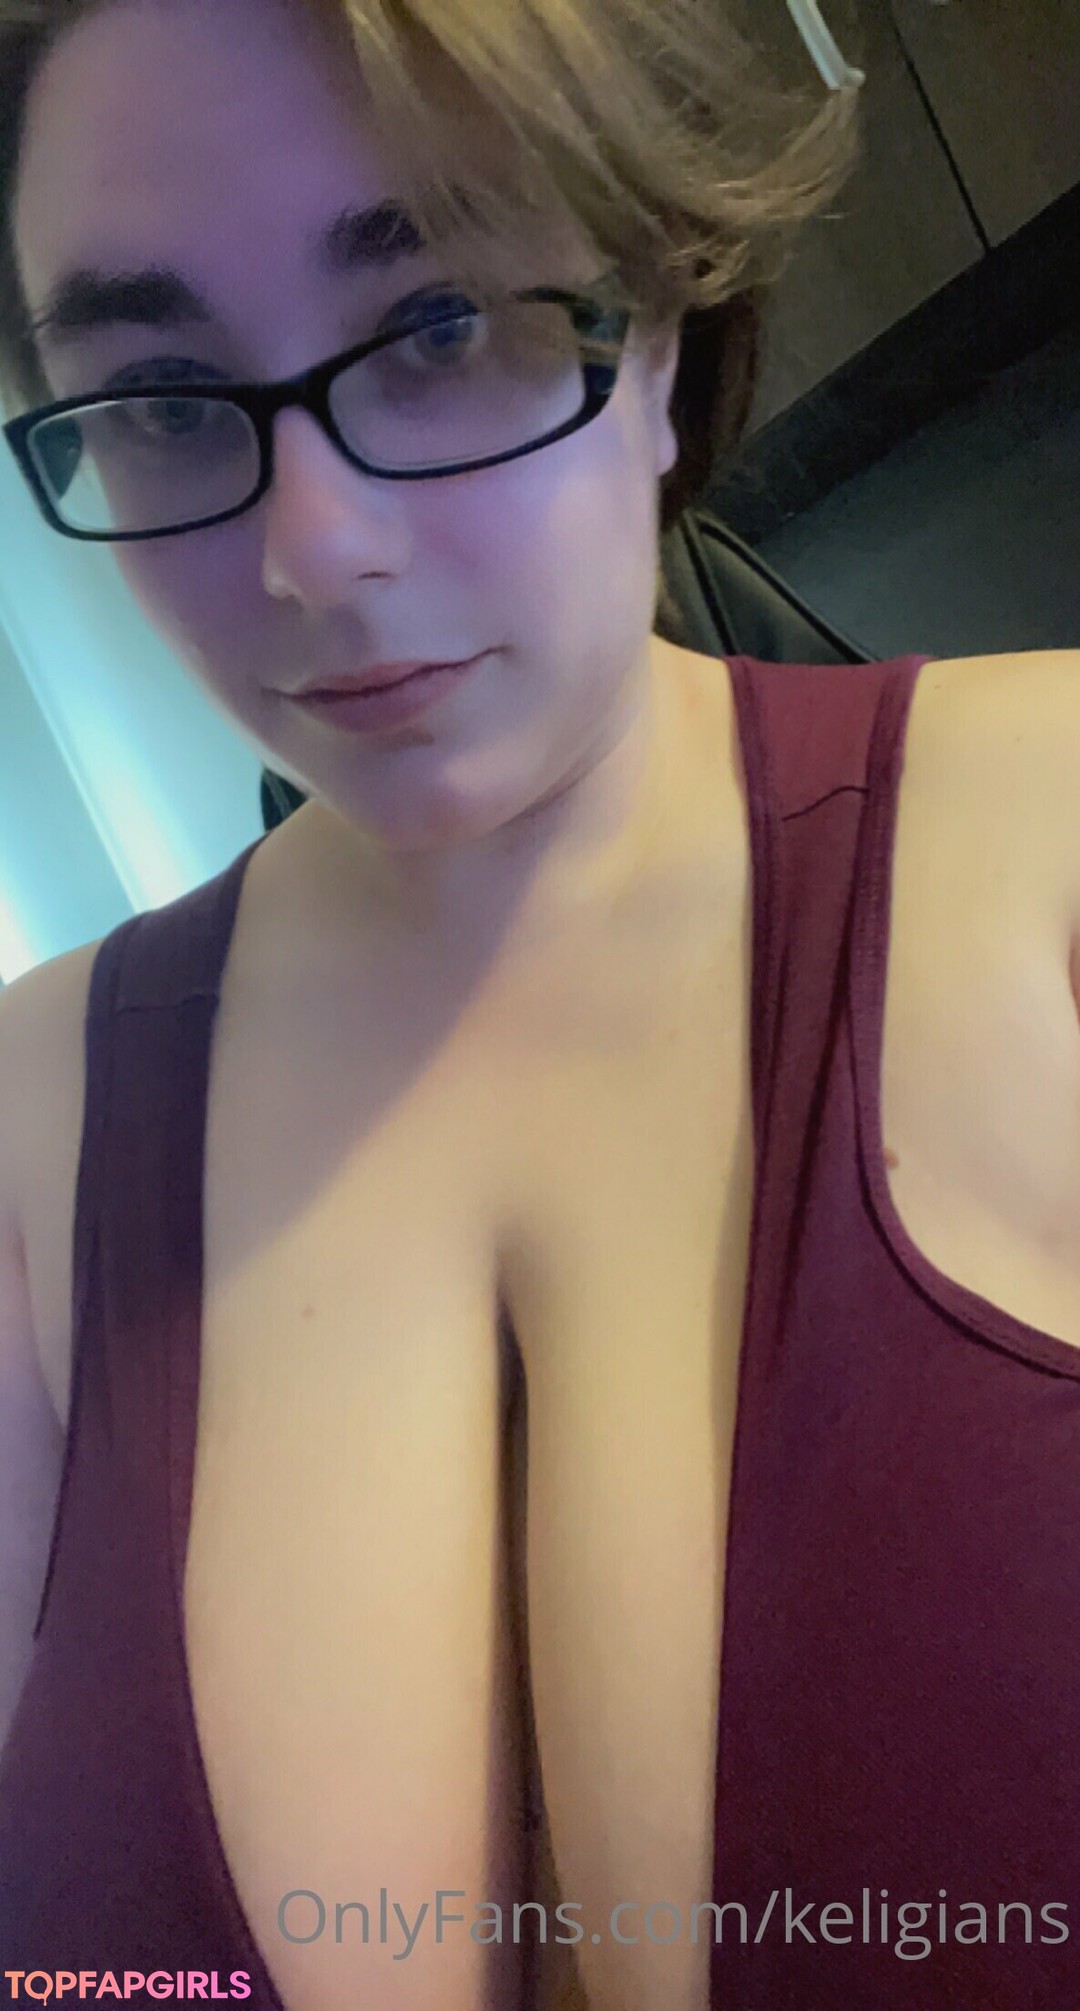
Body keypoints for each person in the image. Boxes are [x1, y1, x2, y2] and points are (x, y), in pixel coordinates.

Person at [0, 1, 1077, 2007]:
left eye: (434, 328)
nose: (316, 552)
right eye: (157, 399)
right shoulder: (22, 1130)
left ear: (655, 324)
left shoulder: (1056, 848)